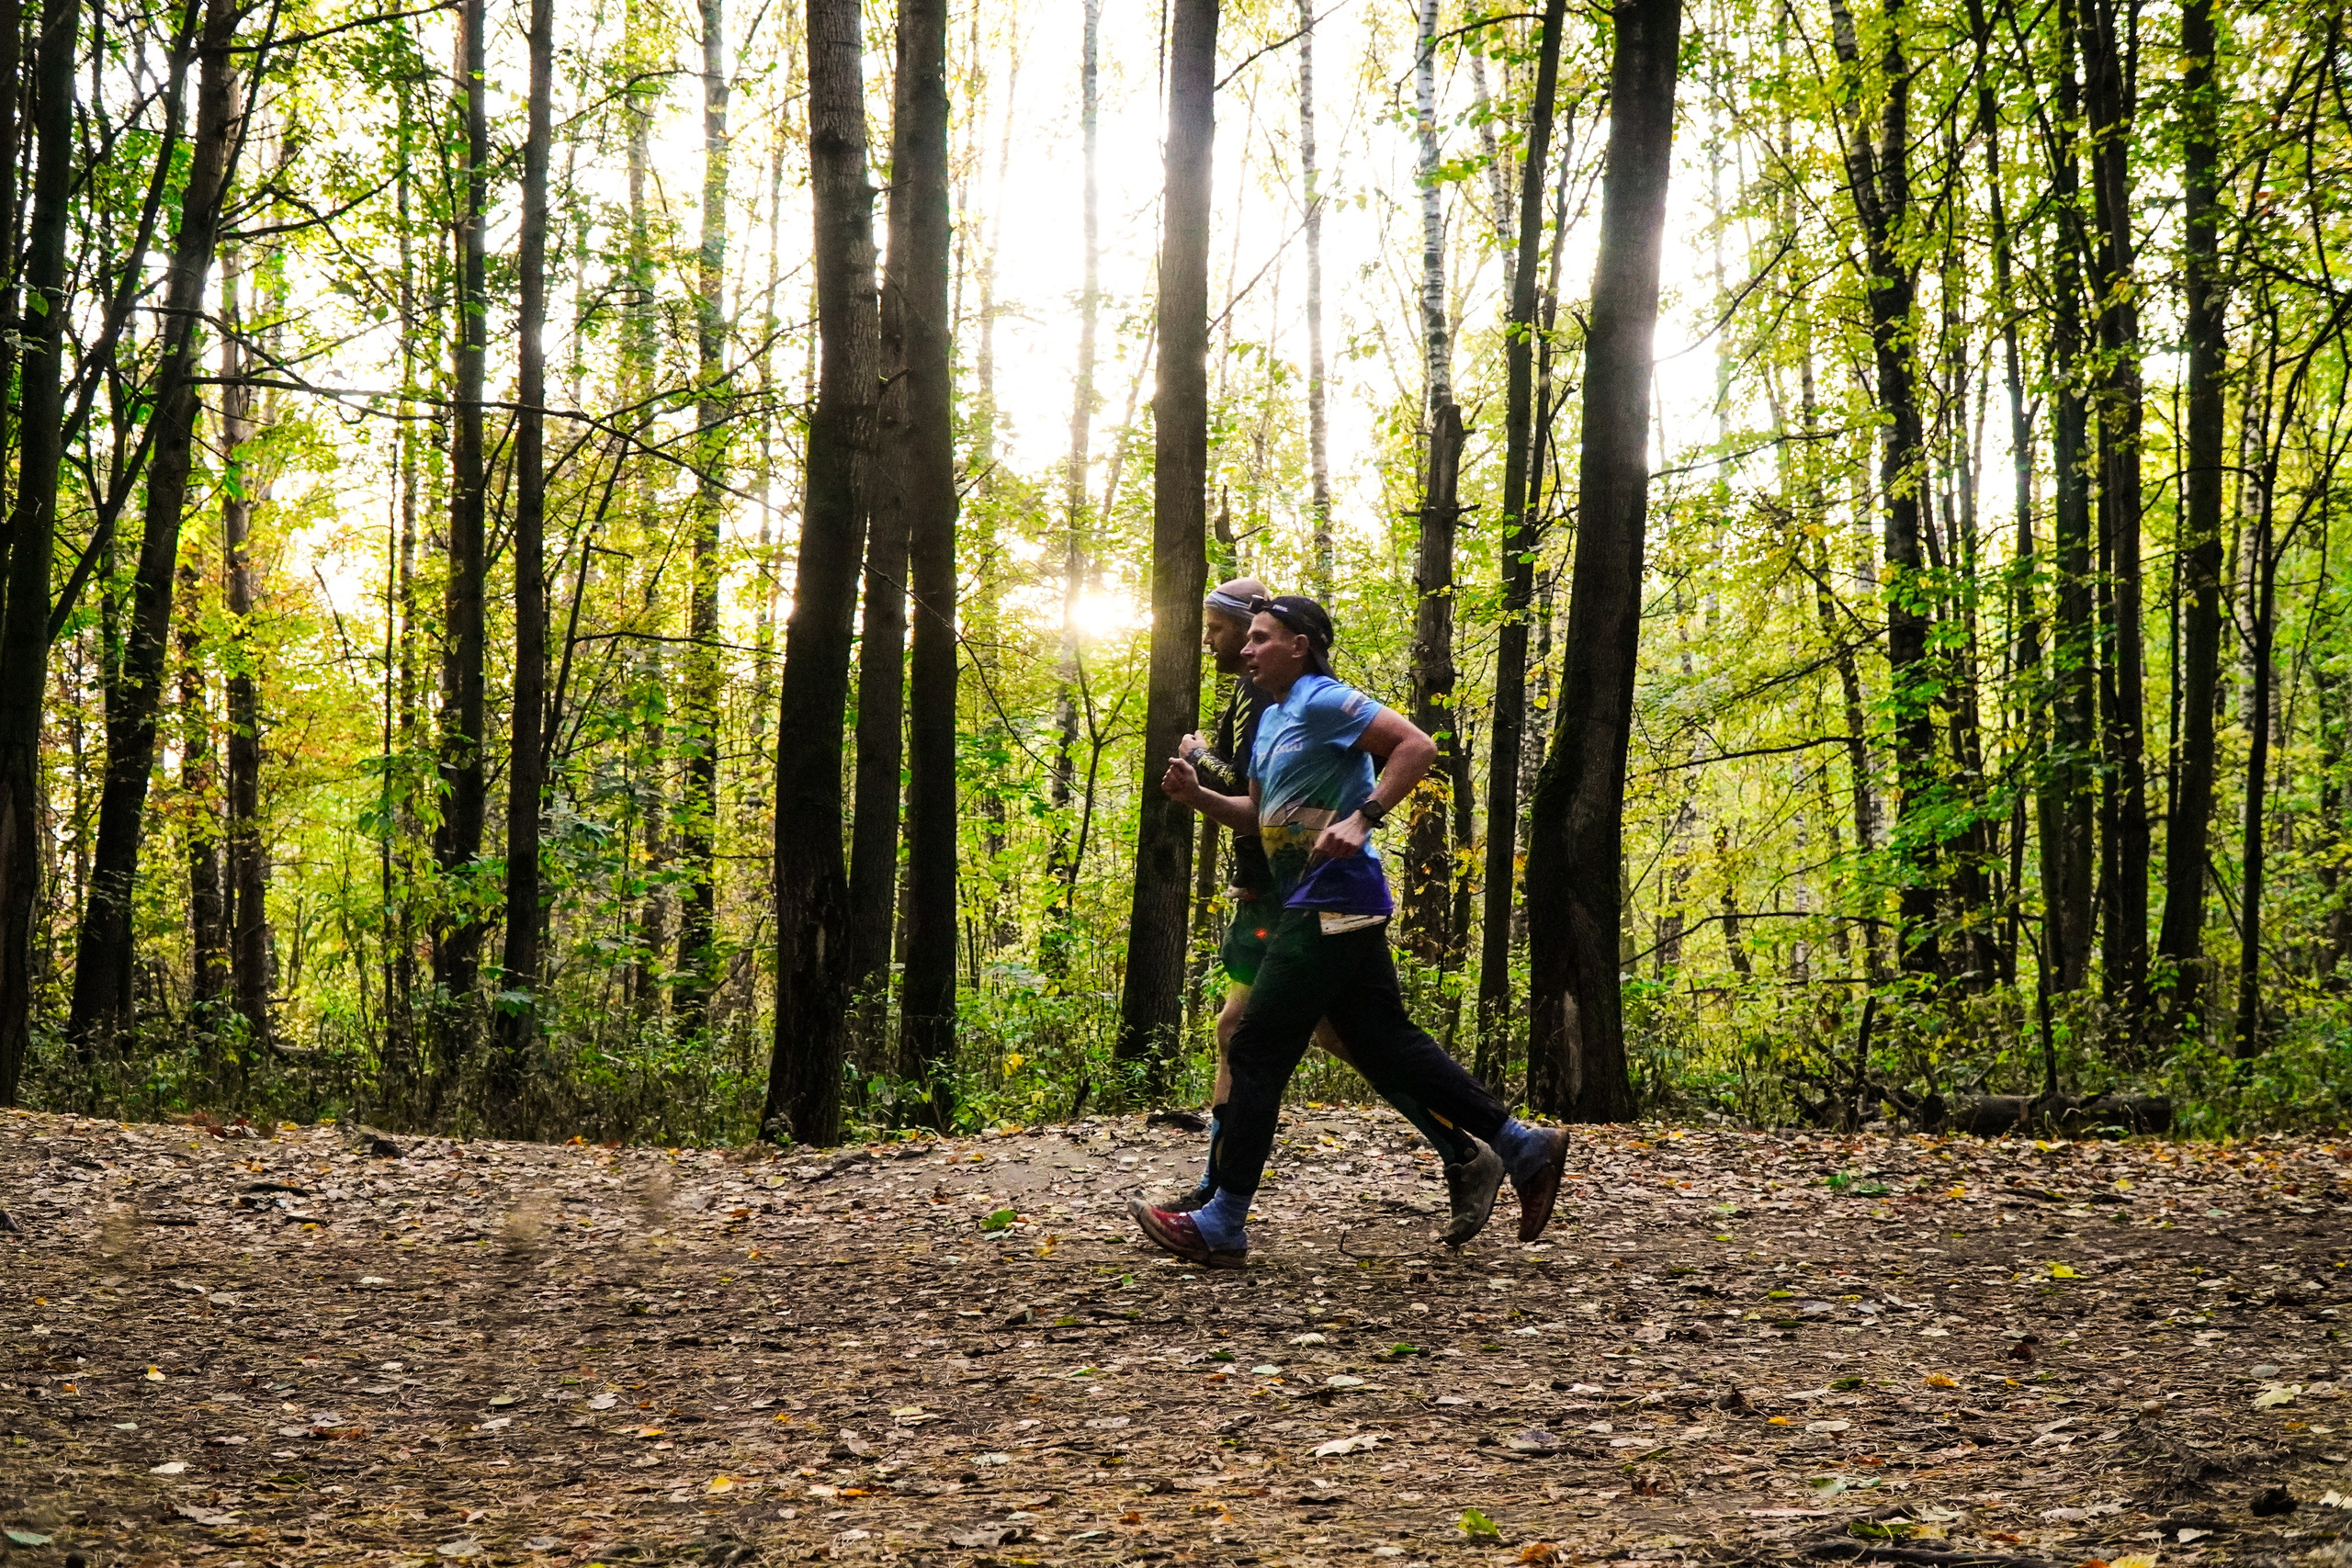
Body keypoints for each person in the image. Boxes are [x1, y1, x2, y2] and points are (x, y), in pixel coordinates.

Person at [1130, 595, 1569, 1267]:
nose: (1246, 650)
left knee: (1254, 1045)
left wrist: (1362, 816)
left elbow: (1415, 745)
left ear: (1299, 644)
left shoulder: (1324, 699)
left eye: (1260, 638)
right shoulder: (1275, 717)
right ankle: (1518, 1144)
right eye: (1244, 639)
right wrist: (1196, 795)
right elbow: (1255, 813)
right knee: (1384, 1041)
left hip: (1334, 896)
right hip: (1311, 897)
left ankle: (1223, 1220)